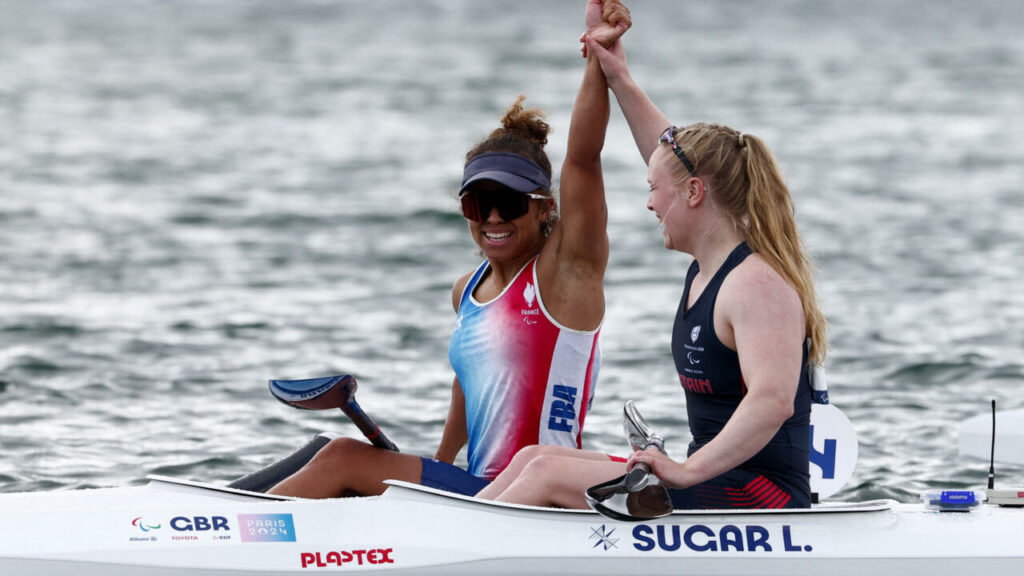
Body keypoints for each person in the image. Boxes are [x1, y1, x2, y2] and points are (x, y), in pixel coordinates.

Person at [267, 1, 633, 499]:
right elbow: (466, 391)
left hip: (540, 497)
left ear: (545, 208)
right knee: (325, 452)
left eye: (508, 203)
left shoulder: (567, 273)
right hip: (479, 490)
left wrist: (598, 58)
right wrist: (433, 475)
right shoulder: (467, 291)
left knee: (339, 458)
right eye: (478, 204)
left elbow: (584, 159)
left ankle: (223, 539)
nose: (494, 218)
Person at [476, 1, 828, 510]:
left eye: (652, 189)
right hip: (716, 480)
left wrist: (684, 472)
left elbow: (772, 401)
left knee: (549, 474)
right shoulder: (712, 265)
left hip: (763, 495)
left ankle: (452, 546)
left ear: (693, 195)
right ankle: (441, 528)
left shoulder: (756, 284)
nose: (647, 202)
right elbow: (673, 155)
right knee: (535, 456)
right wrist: (616, 74)